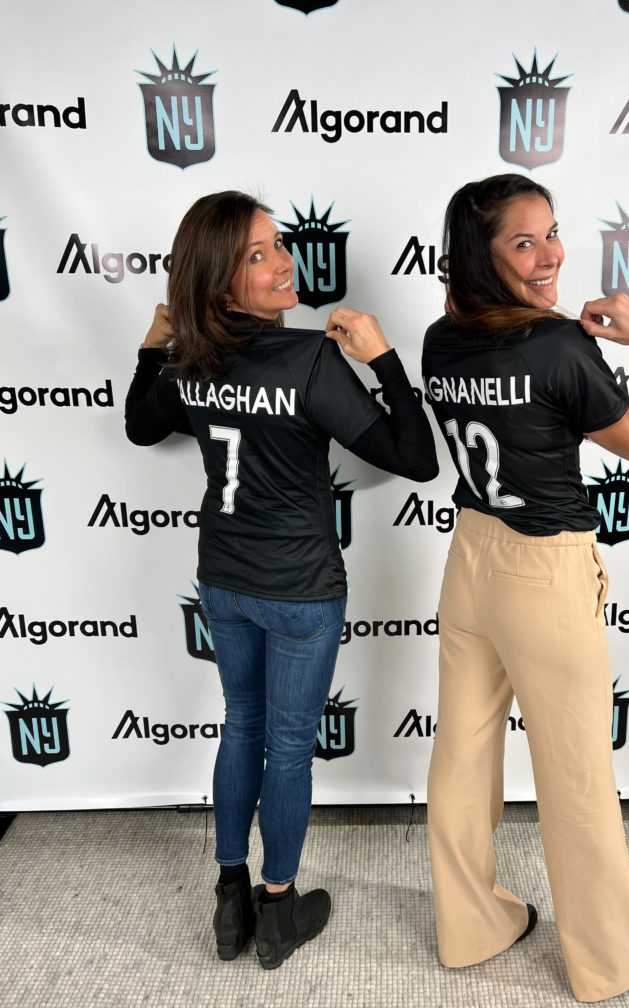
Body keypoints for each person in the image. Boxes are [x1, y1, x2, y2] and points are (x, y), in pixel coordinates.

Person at [125, 190, 438, 969]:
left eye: (277, 244)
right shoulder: (308, 358)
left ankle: (229, 898)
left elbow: (139, 425)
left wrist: (151, 345)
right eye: (257, 255)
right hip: (298, 590)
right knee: (288, 747)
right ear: (219, 282)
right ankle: (275, 911)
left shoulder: (190, 357)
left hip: (224, 581)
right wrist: (386, 359)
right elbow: (418, 459)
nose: (283, 261)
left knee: (243, 726)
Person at [422, 173, 629, 1003]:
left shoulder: (437, 338)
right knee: (575, 773)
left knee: (461, 753)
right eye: (523, 242)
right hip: (542, 570)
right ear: (481, 256)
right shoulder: (558, 345)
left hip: (470, 562)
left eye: (552, 232)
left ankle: (471, 928)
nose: (551, 253)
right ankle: (607, 959)